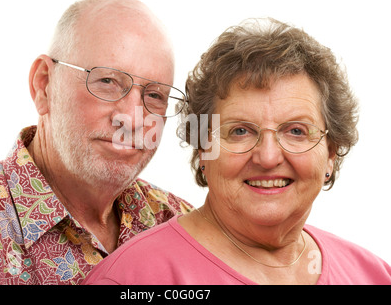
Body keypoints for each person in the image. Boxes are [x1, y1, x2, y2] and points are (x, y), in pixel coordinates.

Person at [83, 18, 391, 285]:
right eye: (240, 131)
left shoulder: (376, 274)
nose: (268, 157)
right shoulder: (133, 278)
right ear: (203, 148)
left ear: (331, 152)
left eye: (296, 131)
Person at [0, 0, 193, 285]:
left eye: (154, 95)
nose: (133, 119)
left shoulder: (181, 225)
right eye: (107, 81)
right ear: (44, 85)